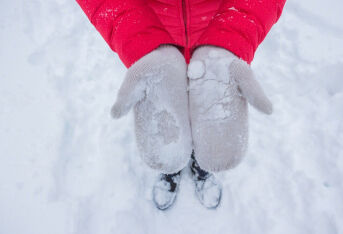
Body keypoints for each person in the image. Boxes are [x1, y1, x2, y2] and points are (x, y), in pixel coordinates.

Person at [76, 0, 286, 210]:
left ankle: (201, 163)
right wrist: (140, 39)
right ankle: (172, 165)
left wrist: (231, 35)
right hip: (156, 28)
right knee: (166, 112)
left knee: (206, 111)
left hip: (214, 27)